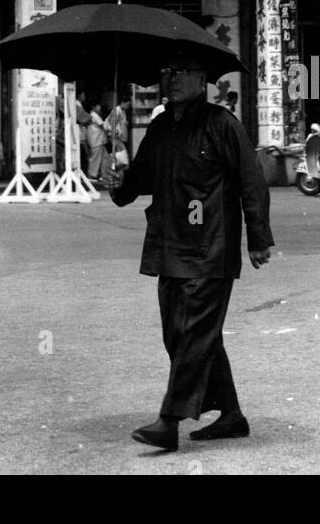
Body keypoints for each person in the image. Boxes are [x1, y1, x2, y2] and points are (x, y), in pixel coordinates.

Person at [109, 50, 274, 451]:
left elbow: (251, 182)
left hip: (210, 247)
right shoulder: (161, 126)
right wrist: (116, 178)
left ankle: (169, 421)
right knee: (182, 335)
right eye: (168, 70)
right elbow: (137, 183)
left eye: (183, 71)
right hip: (170, 247)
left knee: (194, 335)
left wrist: (258, 236)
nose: (173, 78)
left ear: (203, 80)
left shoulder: (222, 125)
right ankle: (231, 414)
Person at [85, 99, 107, 183]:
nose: (100, 107)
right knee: (95, 158)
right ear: (93, 107)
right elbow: (102, 125)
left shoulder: (92, 115)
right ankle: (91, 175)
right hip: (96, 140)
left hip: (97, 140)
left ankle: (102, 174)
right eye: (98, 105)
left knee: (104, 158)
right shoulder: (94, 115)